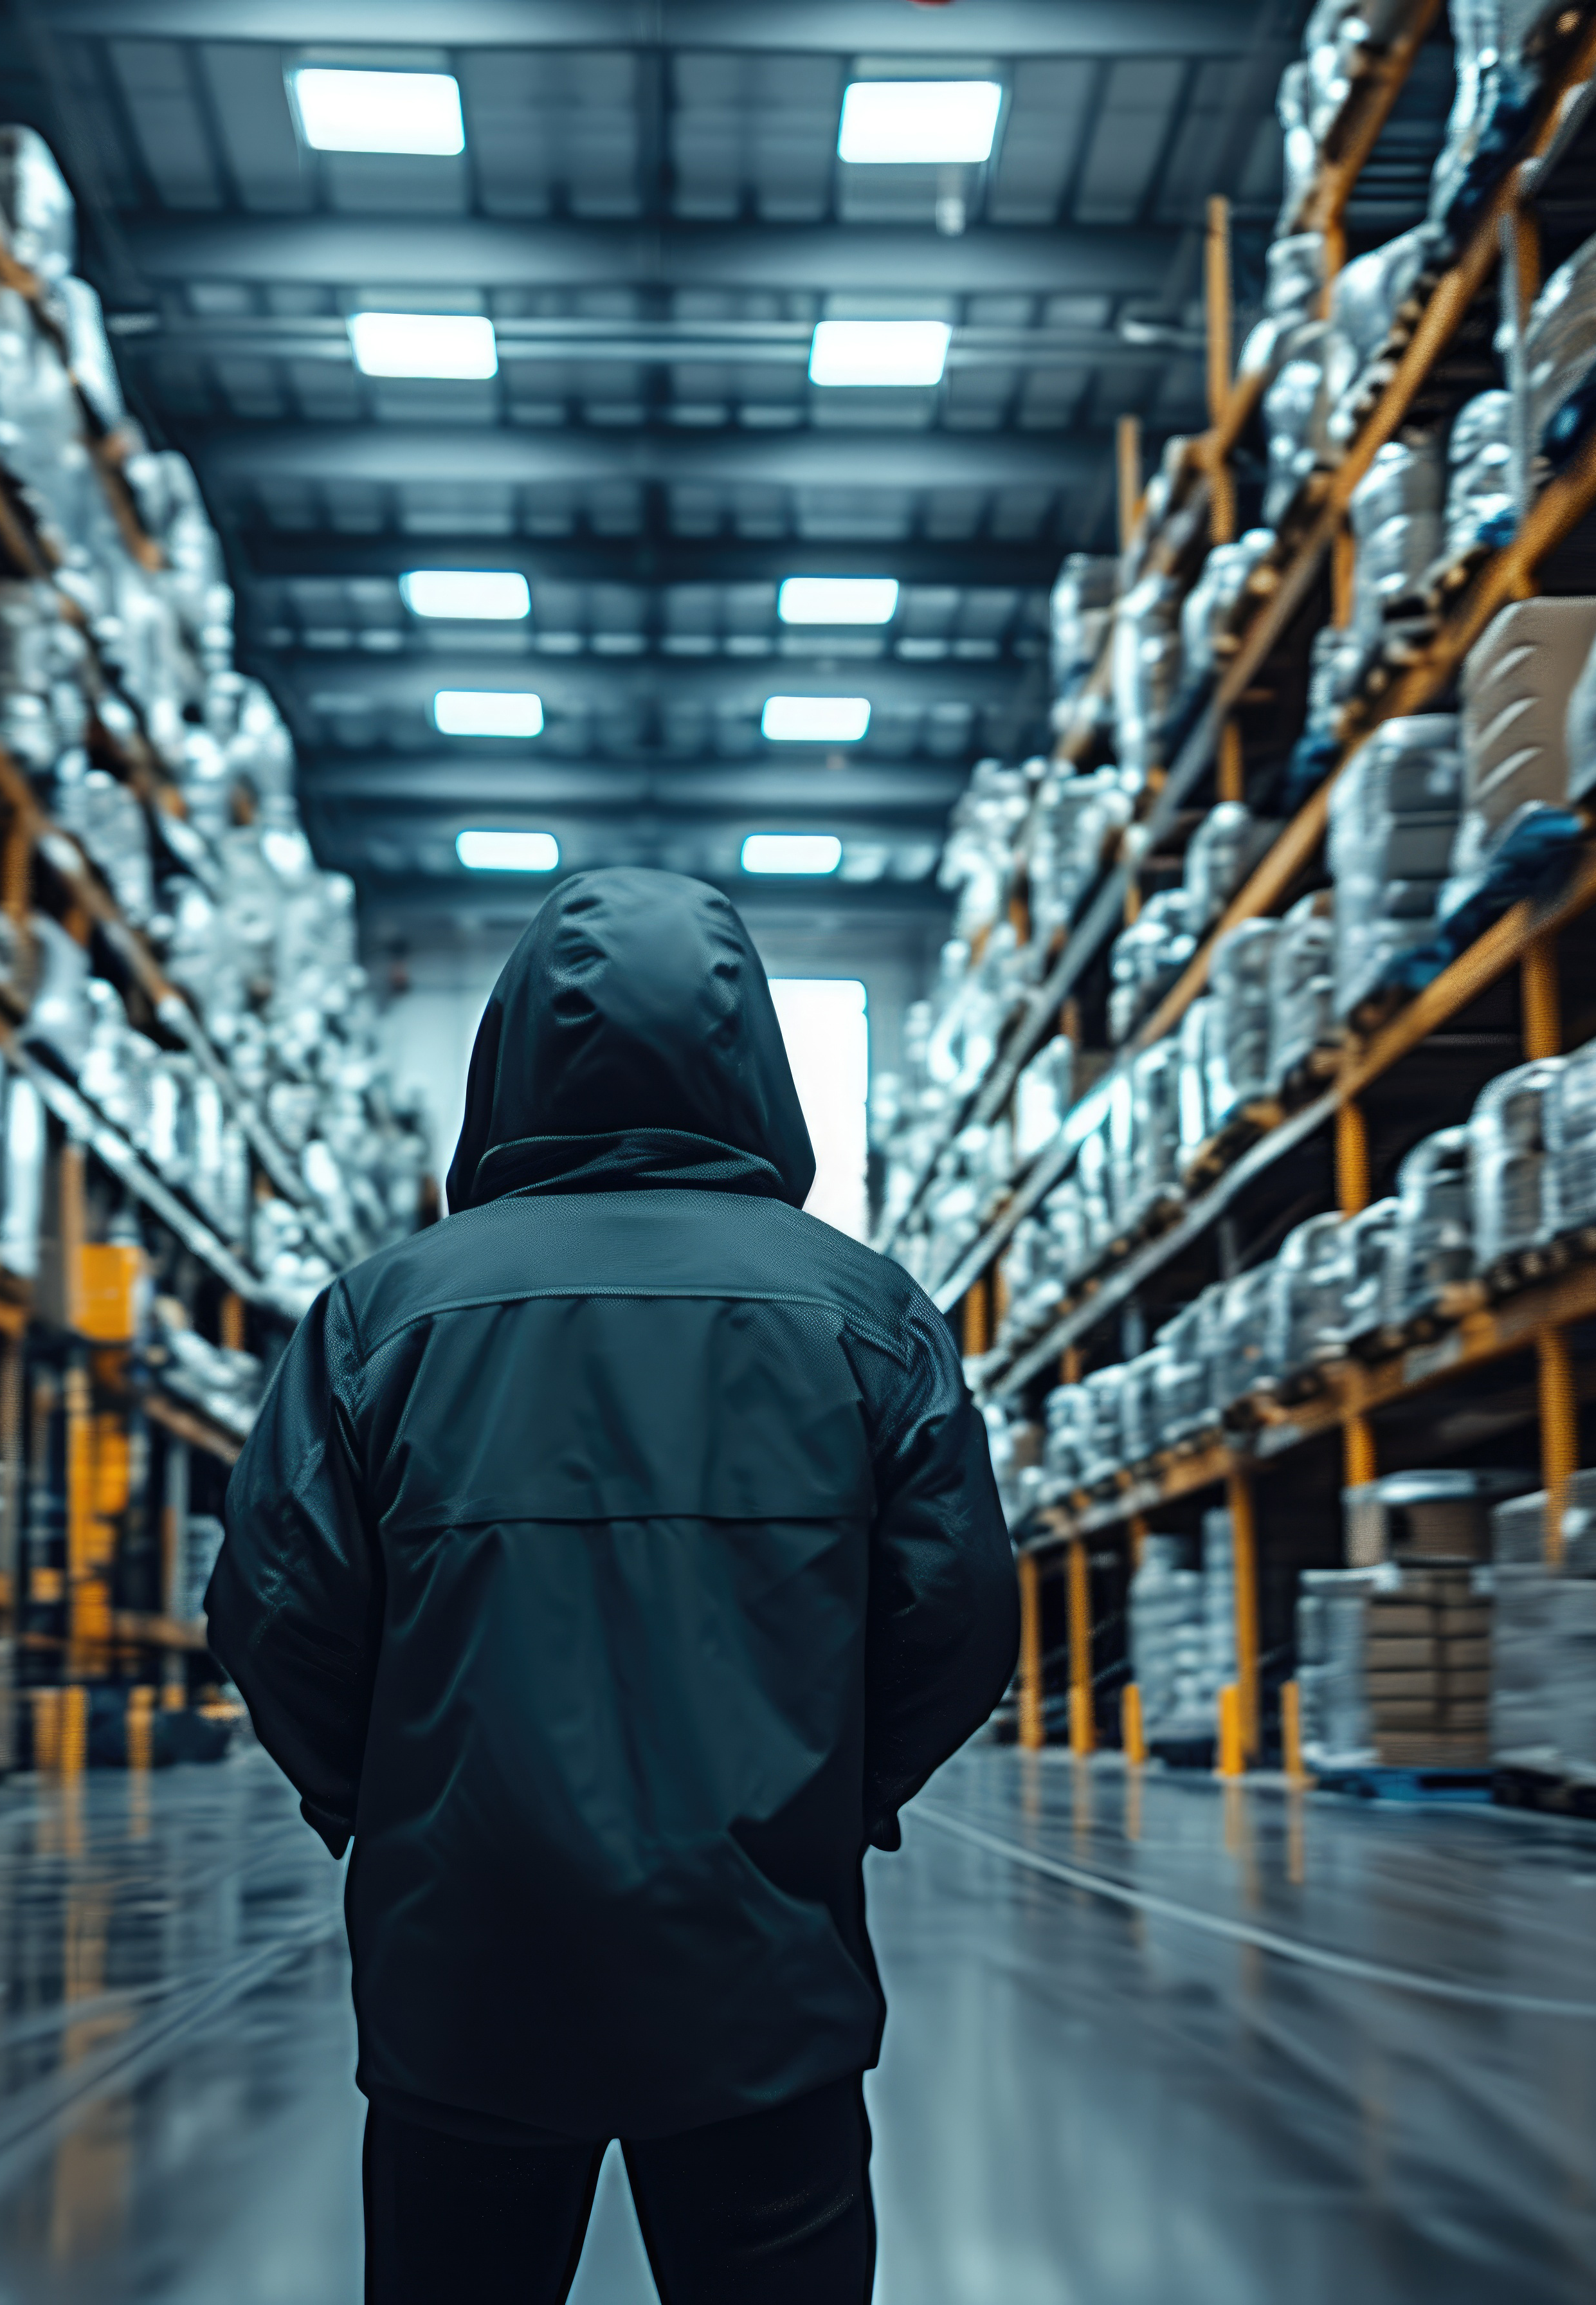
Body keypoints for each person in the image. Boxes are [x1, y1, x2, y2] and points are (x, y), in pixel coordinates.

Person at [208, 867, 1018, 2304]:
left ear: (507, 1052)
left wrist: (384, 1802)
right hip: (762, 1973)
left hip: (464, 1968)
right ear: (751, 1060)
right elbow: (956, 1622)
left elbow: (279, 1611)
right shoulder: (864, 1316)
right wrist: (832, 1794)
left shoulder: (379, 1321)